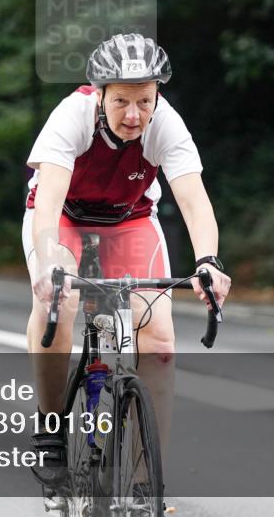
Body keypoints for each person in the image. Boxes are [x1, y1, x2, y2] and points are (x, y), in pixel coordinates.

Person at [23, 33, 232, 488]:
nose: (134, 115)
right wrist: (47, 262)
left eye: (145, 100)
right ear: (99, 94)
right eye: (120, 101)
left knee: (159, 342)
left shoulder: (166, 125)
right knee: (60, 303)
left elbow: (195, 202)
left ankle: (145, 478)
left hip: (129, 219)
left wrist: (208, 261)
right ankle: (51, 428)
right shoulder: (70, 116)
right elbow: (50, 198)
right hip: (63, 218)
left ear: (158, 95)